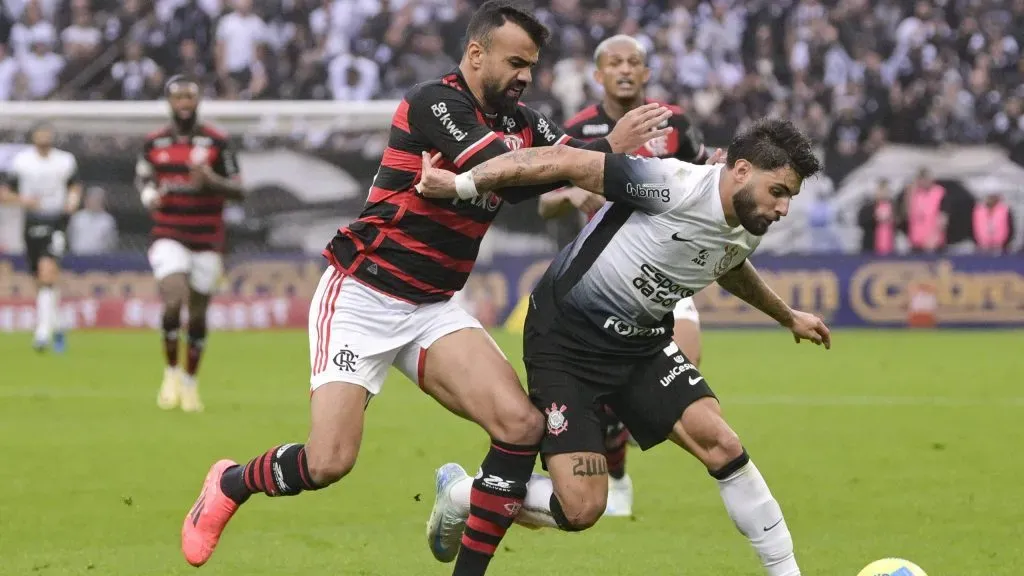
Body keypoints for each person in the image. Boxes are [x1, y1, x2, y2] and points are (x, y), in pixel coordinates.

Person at [179, 2, 669, 574]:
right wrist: (595, 151)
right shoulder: (433, 102)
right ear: (476, 53)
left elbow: (563, 166)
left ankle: (466, 546)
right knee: (329, 461)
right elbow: (502, 166)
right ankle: (232, 482)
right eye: (515, 63)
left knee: (520, 426)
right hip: (362, 293)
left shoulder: (523, 123)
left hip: (433, 307)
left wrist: (636, 168)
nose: (525, 77)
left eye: (531, 67)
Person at [420, 118, 830, 576]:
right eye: (778, 191)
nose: (784, 208)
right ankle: (464, 491)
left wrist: (786, 315)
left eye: (789, 195)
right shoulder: (671, 184)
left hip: (641, 345)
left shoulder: (749, 222)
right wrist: (460, 183)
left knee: (721, 442)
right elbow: (564, 161)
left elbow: (728, 262)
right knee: (582, 508)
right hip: (566, 342)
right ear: (741, 170)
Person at [535, 33, 713, 517]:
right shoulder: (579, 128)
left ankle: (613, 444)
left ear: (647, 72)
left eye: (634, 61)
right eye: (615, 63)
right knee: (609, 391)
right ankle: (610, 471)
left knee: (685, 365)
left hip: (667, 270)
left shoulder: (674, 123)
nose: (626, 70)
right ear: (599, 75)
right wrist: (571, 194)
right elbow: (544, 199)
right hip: (606, 278)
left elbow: (705, 178)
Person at [137, 74, 245, 413]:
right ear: (168, 102)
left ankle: (189, 382)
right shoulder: (154, 142)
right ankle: (169, 373)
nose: (184, 103)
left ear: (198, 101)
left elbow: (240, 190)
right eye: (178, 97)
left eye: (190, 97)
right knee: (173, 300)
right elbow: (143, 176)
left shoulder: (217, 141)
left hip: (207, 240)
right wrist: (148, 194)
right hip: (168, 233)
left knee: (197, 314)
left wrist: (211, 181)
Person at [0, 122, 81, 353]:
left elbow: (75, 187)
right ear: (34, 137)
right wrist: (24, 200)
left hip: (56, 220)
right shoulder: (22, 162)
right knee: (40, 279)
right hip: (31, 221)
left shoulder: (65, 160)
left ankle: (42, 333)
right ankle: (56, 325)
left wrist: (71, 202)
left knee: (48, 270)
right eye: (40, 135)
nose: (44, 139)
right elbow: (5, 193)